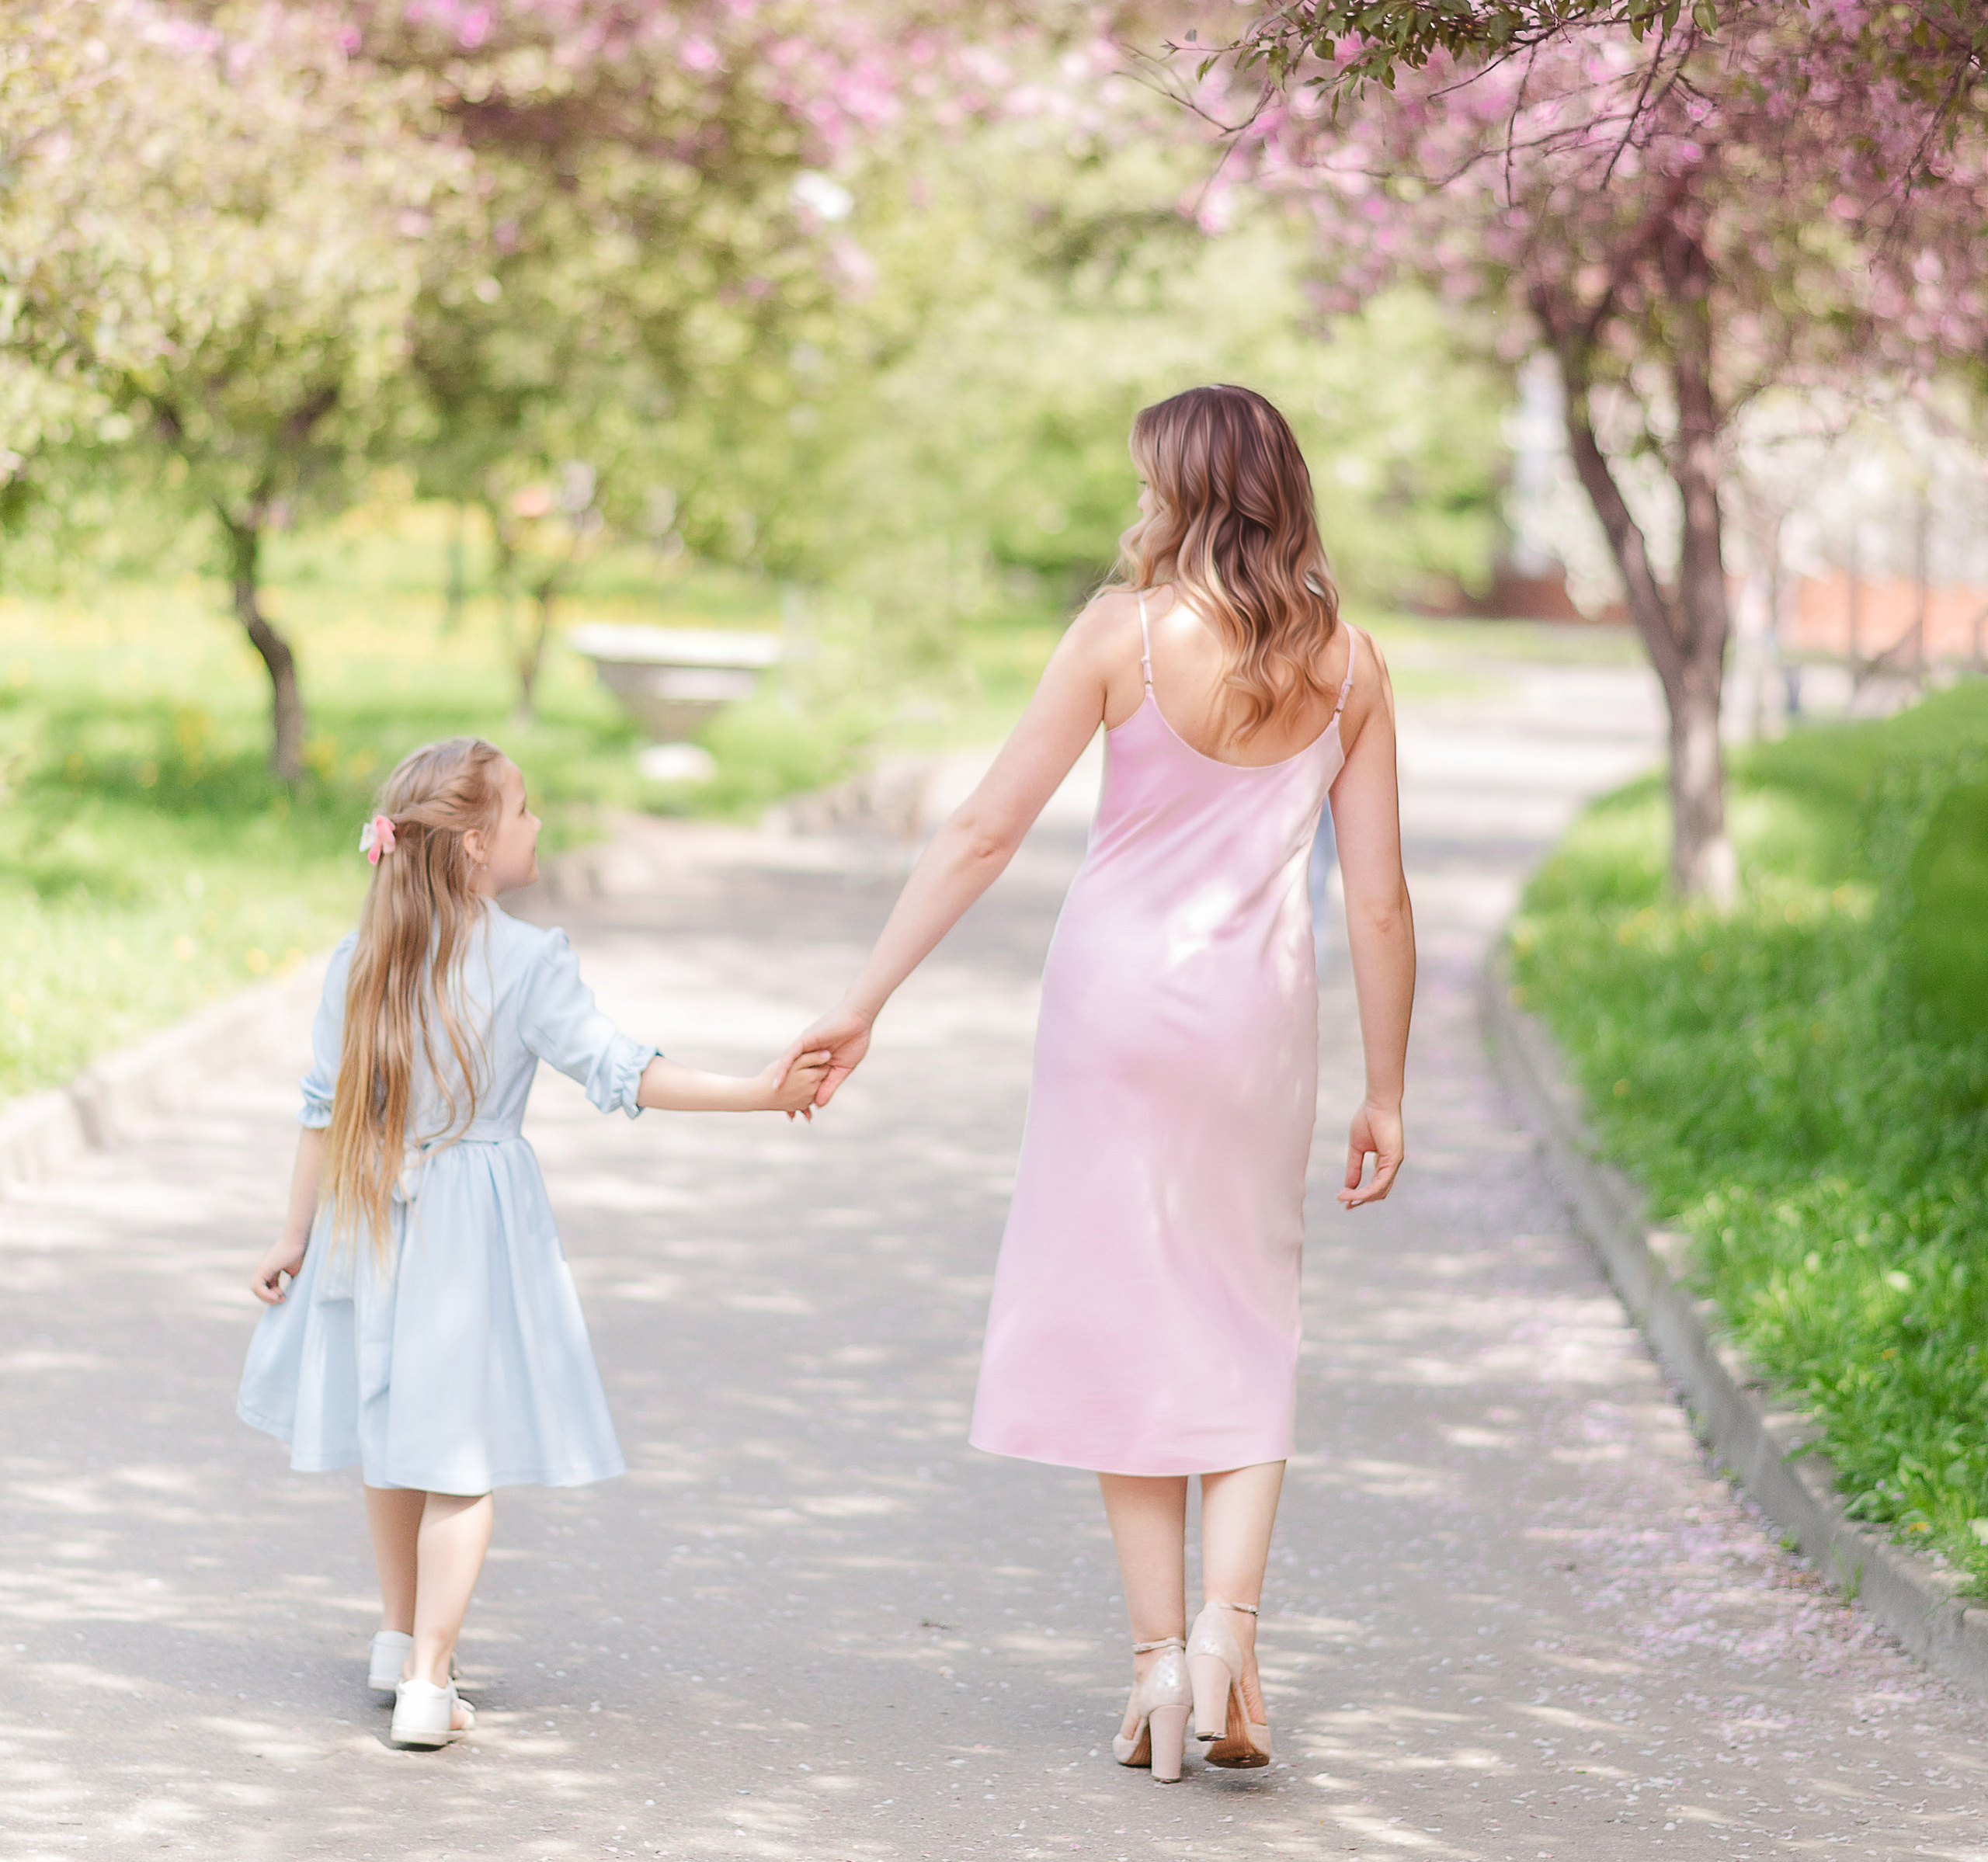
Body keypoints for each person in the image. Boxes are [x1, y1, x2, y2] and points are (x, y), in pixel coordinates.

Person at [789, 385, 1414, 1781]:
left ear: (1183, 490)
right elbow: (1375, 902)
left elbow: (982, 827)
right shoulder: (1352, 665)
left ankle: (1155, 1671)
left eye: (1149, 479)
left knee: (1127, 1315)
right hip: (1258, 1026)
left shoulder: (1121, 635)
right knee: (1250, 1316)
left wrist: (863, 996)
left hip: (1111, 1014)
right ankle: (1231, 1635)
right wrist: (1388, 1086)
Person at [240, 735, 826, 1750]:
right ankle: (429, 1679)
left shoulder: (362, 954)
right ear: (474, 844)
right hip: (470, 1224)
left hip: (372, 1211)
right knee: (460, 1455)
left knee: (391, 1430)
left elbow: (321, 1111)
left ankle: (397, 1633)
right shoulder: (524, 959)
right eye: (523, 811)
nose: (538, 824)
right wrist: (757, 1091)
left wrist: (294, 1232)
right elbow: (618, 1069)